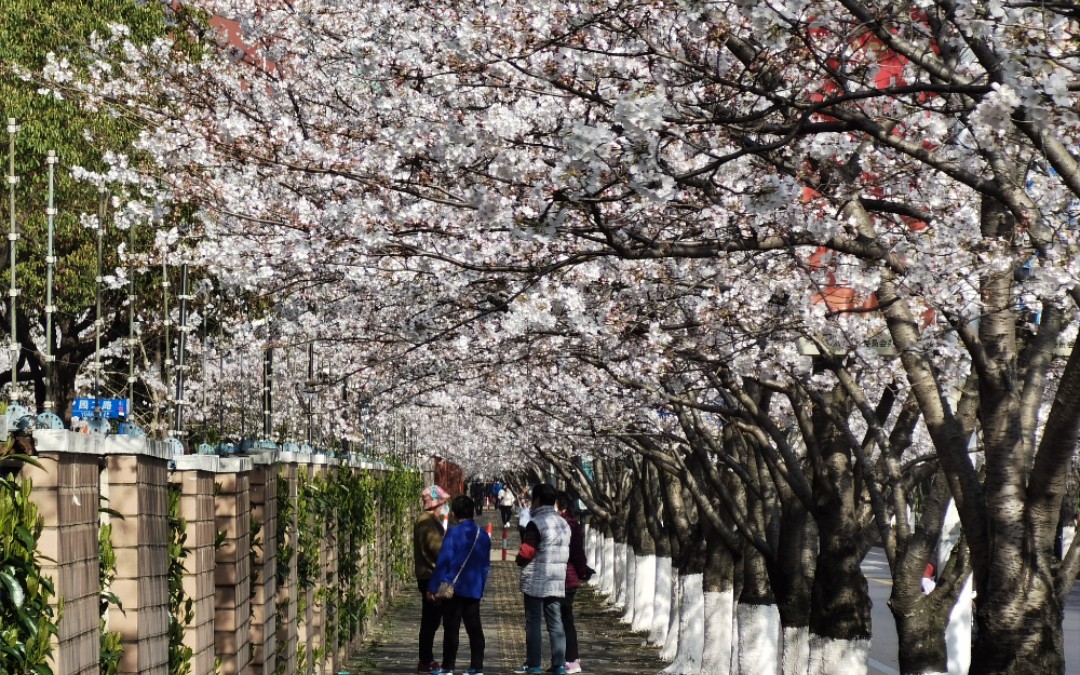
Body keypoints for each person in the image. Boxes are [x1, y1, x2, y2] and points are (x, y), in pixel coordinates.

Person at [427, 495, 492, 675]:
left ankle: (448, 666)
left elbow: (443, 562)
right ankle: (476, 667)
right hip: (473, 588)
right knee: (475, 629)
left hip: (452, 589)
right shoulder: (483, 535)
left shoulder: (453, 533)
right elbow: (486, 566)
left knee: (451, 629)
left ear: (454, 514)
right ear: (472, 512)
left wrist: (432, 588)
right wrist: (481, 586)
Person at [514, 483, 571, 675]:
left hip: (536, 581)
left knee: (534, 622)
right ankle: (559, 665)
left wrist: (519, 559)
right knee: (556, 623)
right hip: (556, 580)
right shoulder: (563, 523)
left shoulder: (536, 523)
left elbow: (527, 551)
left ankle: (534, 665)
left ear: (537, 500)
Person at [414, 485, 451, 673]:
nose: (445, 505)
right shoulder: (427, 521)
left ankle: (427, 659)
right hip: (431, 577)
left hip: (433, 575)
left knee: (433, 618)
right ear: (437, 503)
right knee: (431, 619)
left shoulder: (430, 519)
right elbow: (437, 549)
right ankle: (425, 660)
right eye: (443, 502)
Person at [556, 491, 592, 675]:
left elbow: (576, 552)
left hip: (566, 578)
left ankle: (571, 660)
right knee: (561, 620)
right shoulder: (568, 522)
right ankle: (564, 659)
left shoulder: (567, 524)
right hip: (565, 577)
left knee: (565, 620)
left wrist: (582, 570)